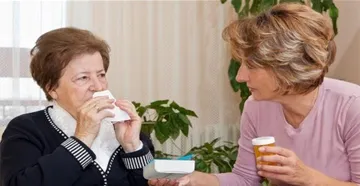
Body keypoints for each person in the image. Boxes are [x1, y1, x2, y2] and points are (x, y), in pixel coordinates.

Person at [149, 3, 360, 186]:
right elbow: (245, 179)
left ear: (285, 67)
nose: (240, 76)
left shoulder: (352, 107)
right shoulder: (256, 106)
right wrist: (194, 179)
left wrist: (308, 178)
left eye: (251, 65)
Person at [0, 27, 154, 186]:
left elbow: (150, 182)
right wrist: (83, 138)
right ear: (52, 88)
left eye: (101, 75)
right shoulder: (26, 129)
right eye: (83, 78)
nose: (99, 86)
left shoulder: (122, 127)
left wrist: (132, 147)